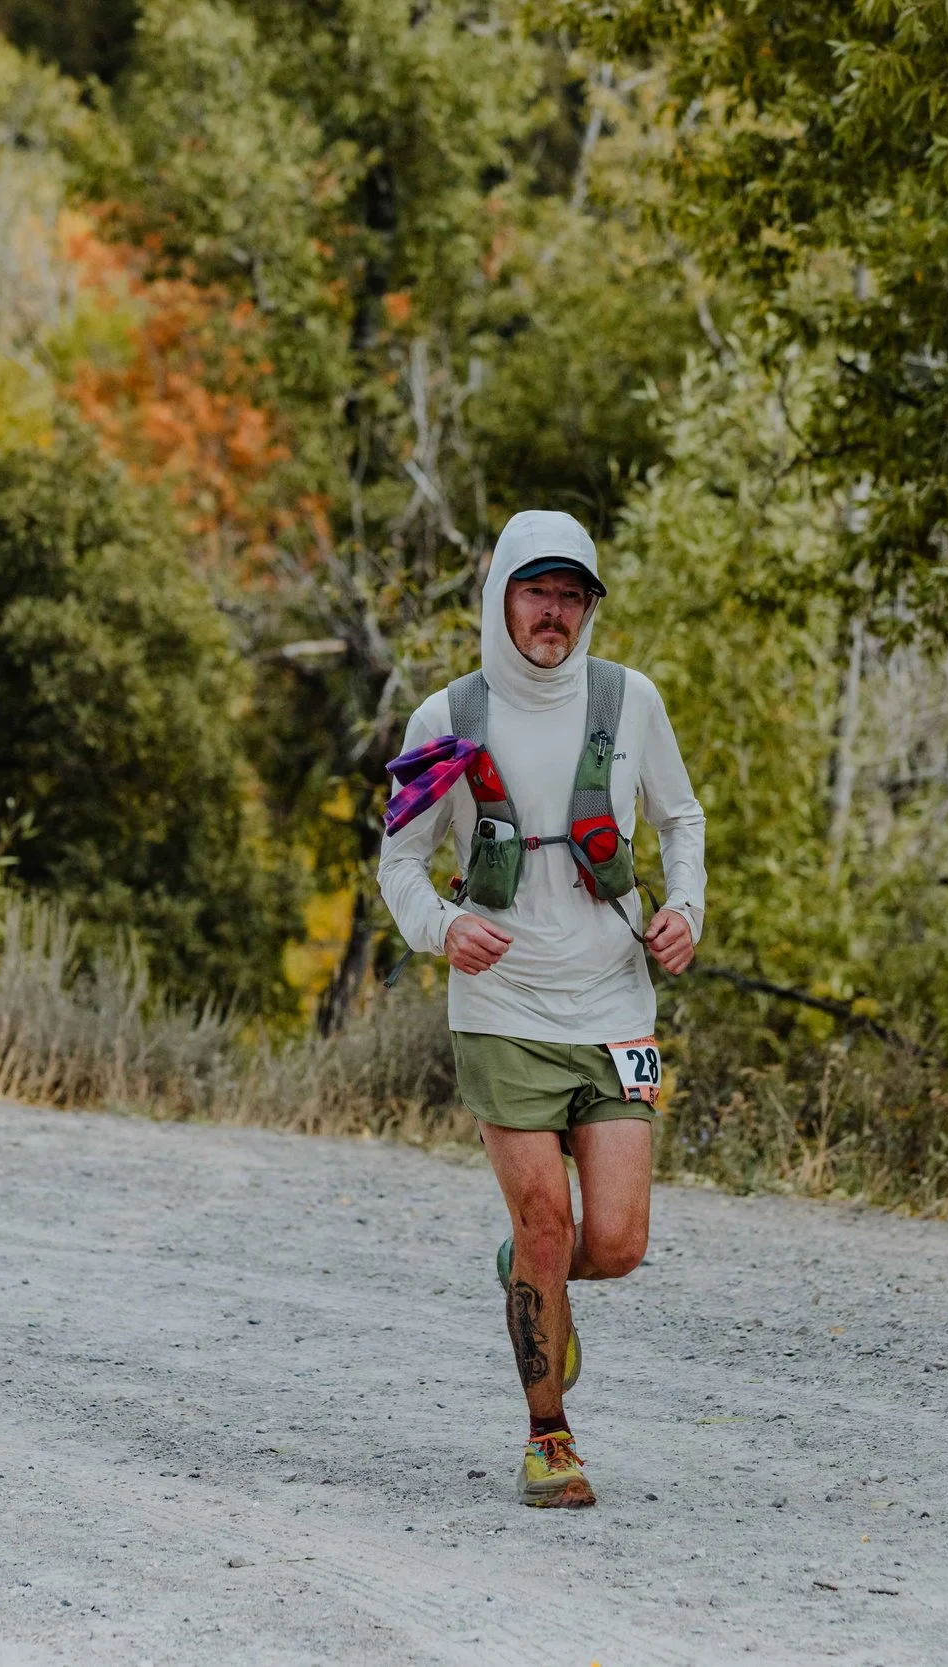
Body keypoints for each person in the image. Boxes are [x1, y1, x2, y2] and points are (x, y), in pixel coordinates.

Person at [379, 509, 706, 1509]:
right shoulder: (447, 718)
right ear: (502, 596)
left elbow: (679, 816)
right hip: (503, 1002)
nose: (553, 612)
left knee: (613, 1240)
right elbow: (399, 860)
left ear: (589, 606)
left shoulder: (628, 699)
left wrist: (684, 905)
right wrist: (442, 928)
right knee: (543, 1222)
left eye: (571, 595)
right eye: (536, 590)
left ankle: (536, 1273)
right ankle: (548, 1437)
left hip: (614, 998)